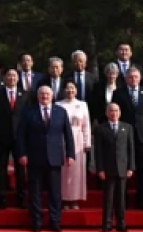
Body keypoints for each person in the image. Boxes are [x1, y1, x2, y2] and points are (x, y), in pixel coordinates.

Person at [17, 85, 76, 232]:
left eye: (47, 94)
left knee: (55, 192)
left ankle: (55, 220)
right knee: (34, 192)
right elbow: (20, 135)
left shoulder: (61, 112)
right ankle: (36, 221)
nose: (44, 96)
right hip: (34, 157)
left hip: (55, 157)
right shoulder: (28, 111)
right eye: (42, 94)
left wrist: (70, 154)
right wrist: (22, 154)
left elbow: (68, 135)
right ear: (38, 96)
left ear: (52, 96)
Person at [113, 67, 143, 209]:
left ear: (140, 78)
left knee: (142, 169)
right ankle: (122, 201)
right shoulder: (118, 94)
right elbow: (114, 115)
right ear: (125, 79)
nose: (133, 79)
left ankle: (141, 200)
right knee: (123, 168)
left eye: (136, 77)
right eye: (130, 77)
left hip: (142, 136)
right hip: (124, 136)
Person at [93, 103, 135, 232]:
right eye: (111, 111)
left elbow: (131, 149)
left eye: (116, 110)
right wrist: (100, 169)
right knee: (108, 199)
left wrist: (131, 167)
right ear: (106, 113)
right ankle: (107, 224)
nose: (114, 113)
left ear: (120, 113)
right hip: (108, 168)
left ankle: (121, 224)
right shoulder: (101, 129)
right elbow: (98, 151)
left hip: (123, 168)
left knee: (121, 198)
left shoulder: (127, 128)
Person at [0, 69, 25, 209]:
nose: (11, 78)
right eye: (9, 75)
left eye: (14, 75)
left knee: (20, 170)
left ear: (18, 78)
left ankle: (21, 199)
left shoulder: (25, 95)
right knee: (1, 169)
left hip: (20, 138)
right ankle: (1, 199)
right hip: (1, 138)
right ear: (4, 78)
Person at [57, 81, 90, 210]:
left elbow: (86, 125)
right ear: (64, 90)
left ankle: (75, 199)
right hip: (62, 139)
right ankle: (64, 199)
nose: (70, 90)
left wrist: (87, 143)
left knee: (76, 171)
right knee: (63, 171)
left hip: (78, 139)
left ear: (76, 90)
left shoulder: (82, 105)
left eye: (72, 88)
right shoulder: (58, 105)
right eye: (67, 88)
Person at [88, 63, 122, 131]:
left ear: (117, 74)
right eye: (109, 73)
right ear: (106, 74)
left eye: (114, 73)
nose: (111, 76)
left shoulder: (122, 87)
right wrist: (95, 119)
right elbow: (94, 104)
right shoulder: (98, 87)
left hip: (118, 120)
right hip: (102, 119)